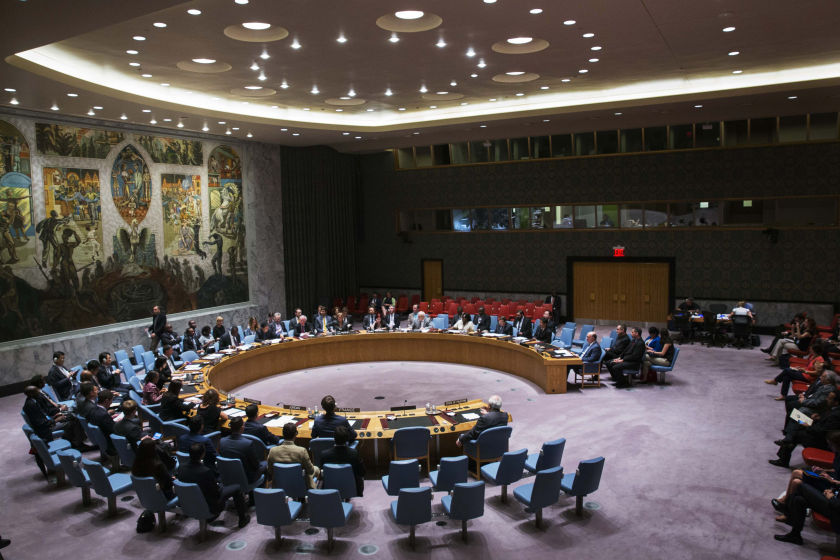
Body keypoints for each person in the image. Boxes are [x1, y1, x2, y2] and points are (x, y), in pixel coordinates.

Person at [773, 431, 840, 546]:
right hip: (833, 492)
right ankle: (795, 534)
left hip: (835, 508)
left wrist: (832, 494)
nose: (830, 447)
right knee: (799, 498)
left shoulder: (832, 418)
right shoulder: (838, 454)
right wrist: (825, 471)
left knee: (799, 484)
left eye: (831, 444)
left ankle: (787, 509)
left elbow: (819, 429)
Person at [177, 442, 250, 528]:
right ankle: (243, 519)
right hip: (210, 505)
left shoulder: (181, 468)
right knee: (236, 488)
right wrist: (220, 486)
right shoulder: (205, 471)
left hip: (189, 503)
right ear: (203, 454)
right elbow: (216, 493)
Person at [268, 422, 320, 488]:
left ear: (283, 434)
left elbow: (270, 470)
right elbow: (310, 471)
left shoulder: (273, 450)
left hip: (279, 484)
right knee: (316, 469)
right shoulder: (301, 451)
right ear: (296, 434)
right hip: (298, 486)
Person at [321, 425, 365, 497]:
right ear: (347, 439)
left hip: (331, 486)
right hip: (351, 486)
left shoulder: (324, 454)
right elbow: (362, 472)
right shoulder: (354, 454)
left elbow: (322, 474)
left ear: (334, 438)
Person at [219, 417, 266, 484]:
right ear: (242, 428)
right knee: (265, 464)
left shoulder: (221, 441)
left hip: (228, 475)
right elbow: (256, 465)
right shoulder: (247, 444)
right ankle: (258, 492)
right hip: (246, 478)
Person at [88, 389, 117, 458]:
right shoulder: (104, 415)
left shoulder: (93, 409)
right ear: (106, 401)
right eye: (111, 400)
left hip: (102, 438)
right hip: (111, 442)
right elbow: (114, 431)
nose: (111, 402)